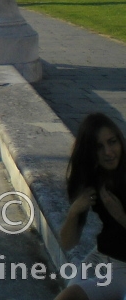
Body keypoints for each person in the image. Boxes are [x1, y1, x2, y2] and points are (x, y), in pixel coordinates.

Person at [54, 113, 126, 300]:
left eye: (112, 142)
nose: (109, 152)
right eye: (99, 147)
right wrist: (75, 210)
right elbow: (68, 243)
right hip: (99, 257)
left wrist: (121, 216)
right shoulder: (93, 177)